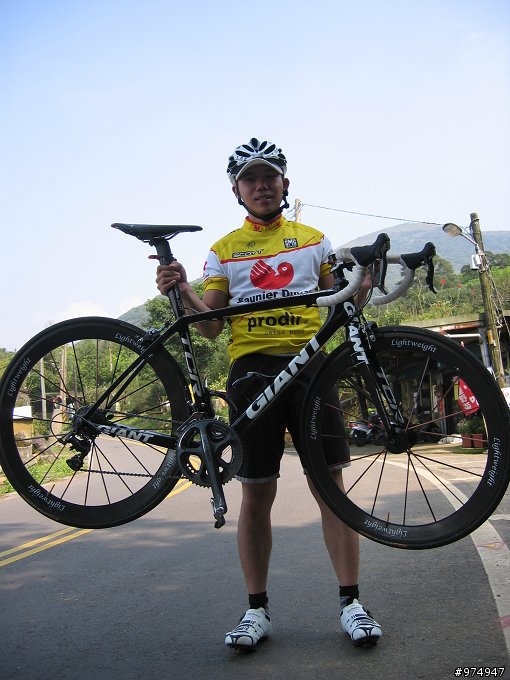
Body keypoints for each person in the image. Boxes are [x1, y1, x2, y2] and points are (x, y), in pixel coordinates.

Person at [156, 138, 382, 650]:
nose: (261, 186)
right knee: (256, 496)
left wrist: (363, 282)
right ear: (237, 190)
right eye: (250, 179)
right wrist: (183, 290)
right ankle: (255, 610)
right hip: (251, 372)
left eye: (269, 177)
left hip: (311, 367)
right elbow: (211, 326)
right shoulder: (224, 249)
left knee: (331, 490)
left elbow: (343, 299)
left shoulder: (314, 240)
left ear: (285, 184)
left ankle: (352, 603)